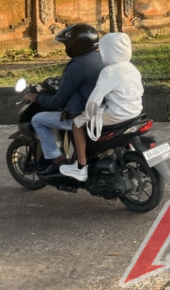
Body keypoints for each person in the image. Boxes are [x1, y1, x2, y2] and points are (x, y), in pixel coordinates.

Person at [59, 32, 144, 182]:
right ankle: (127, 148)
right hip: (135, 111)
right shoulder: (131, 68)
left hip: (117, 115)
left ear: (108, 50)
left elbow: (94, 101)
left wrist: (84, 117)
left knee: (77, 124)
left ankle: (81, 166)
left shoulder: (109, 71)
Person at [24, 24, 104, 176]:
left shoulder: (77, 65)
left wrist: (37, 97)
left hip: (85, 115)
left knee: (38, 119)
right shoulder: (102, 58)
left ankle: (57, 159)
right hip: (107, 110)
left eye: (67, 44)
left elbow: (57, 102)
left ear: (75, 46)